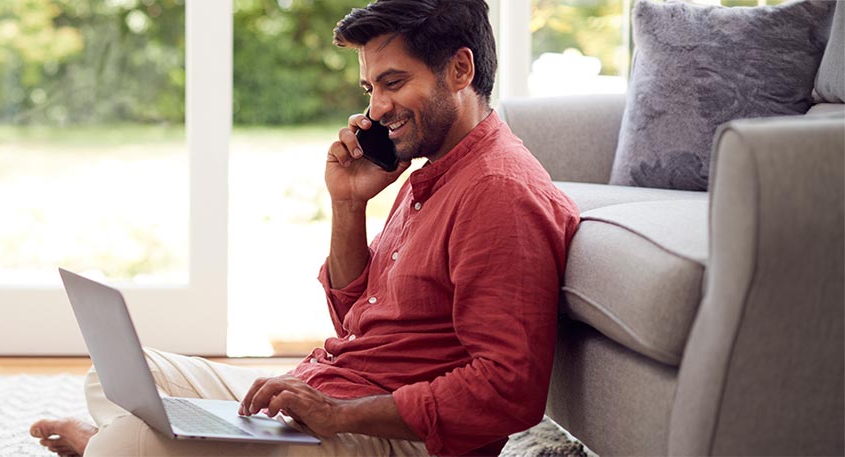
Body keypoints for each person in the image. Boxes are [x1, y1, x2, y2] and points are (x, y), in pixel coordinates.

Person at [30, 0, 579, 456]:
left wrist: (338, 415)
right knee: (117, 379)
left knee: (130, 440)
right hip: (329, 396)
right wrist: (347, 206)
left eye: (393, 82)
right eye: (370, 89)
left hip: (391, 437)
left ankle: (114, 448)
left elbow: (509, 390)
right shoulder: (427, 172)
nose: (378, 107)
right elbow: (358, 319)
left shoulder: (502, 194)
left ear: (461, 70)